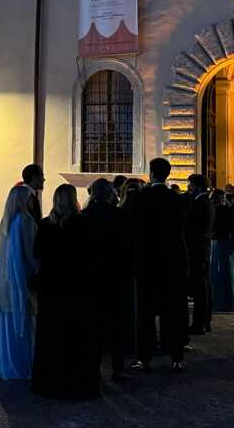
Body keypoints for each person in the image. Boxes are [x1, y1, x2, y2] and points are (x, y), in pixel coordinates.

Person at [32, 184, 99, 399]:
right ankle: (77, 382)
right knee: (77, 336)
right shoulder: (84, 224)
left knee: (51, 337)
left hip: (51, 288)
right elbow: (92, 255)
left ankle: (49, 382)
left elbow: (37, 253)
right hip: (77, 288)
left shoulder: (45, 225)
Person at [132, 158, 188, 372]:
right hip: (172, 262)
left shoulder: (141, 198)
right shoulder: (177, 199)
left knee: (145, 313)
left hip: (147, 262)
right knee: (173, 311)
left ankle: (144, 357)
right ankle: (176, 357)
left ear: (151, 173)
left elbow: (134, 230)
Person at [0, 184, 40, 380]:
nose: (32, 202)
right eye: (29, 198)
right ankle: (20, 364)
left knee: (6, 322)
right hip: (20, 281)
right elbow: (30, 253)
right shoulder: (25, 220)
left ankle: (4, 362)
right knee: (23, 323)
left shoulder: (6, 221)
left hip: (4, 282)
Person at [83, 178, 129, 381]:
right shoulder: (119, 215)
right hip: (115, 277)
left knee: (92, 324)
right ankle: (118, 369)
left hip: (91, 277)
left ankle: (92, 369)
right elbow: (128, 246)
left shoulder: (83, 216)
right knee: (116, 326)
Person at [186, 174, 215, 335]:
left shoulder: (201, 203)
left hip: (198, 248)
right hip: (202, 247)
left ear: (197, 186)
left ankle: (200, 322)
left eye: (190, 184)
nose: (188, 187)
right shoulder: (205, 202)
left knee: (200, 287)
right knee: (203, 286)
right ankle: (205, 321)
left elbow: (194, 227)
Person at [210, 188, 234, 312]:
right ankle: (226, 302)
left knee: (217, 272)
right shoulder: (226, 209)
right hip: (224, 241)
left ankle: (218, 301)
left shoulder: (215, 209)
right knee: (225, 271)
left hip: (217, 241)